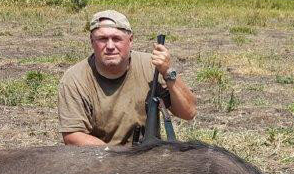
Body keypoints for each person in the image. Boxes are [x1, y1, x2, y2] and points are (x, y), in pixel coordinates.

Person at [58, 10, 196, 146]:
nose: (110, 46)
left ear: (130, 40)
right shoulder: (74, 79)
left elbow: (188, 113)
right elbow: (73, 136)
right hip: (99, 160)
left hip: (147, 155)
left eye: (117, 39)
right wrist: (119, 160)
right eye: (102, 39)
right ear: (92, 41)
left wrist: (167, 72)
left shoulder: (152, 67)